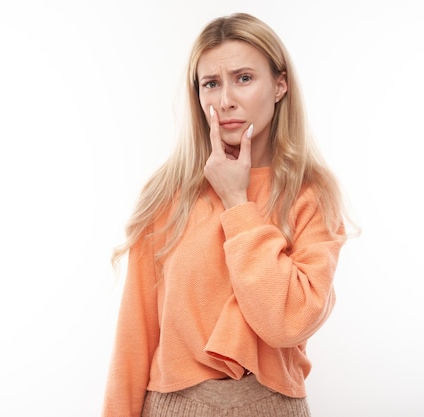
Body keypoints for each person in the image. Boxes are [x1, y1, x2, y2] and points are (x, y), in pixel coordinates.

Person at [102, 12, 352, 417]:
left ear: (280, 85)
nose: (225, 100)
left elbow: (289, 320)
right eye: (211, 84)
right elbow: (135, 336)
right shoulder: (168, 192)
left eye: (244, 78)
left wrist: (238, 202)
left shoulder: (311, 194)